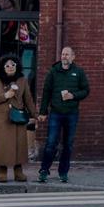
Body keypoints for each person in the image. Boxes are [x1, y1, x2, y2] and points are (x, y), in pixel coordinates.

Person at [37, 46, 89, 183]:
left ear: (73, 57)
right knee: (51, 143)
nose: (64, 56)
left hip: (72, 113)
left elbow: (86, 91)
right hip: (56, 113)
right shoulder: (53, 72)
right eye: (63, 54)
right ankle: (44, 170)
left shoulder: (78, 72)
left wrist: (73, 95)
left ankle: (63, 172)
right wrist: (43, 112)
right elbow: (46, 92)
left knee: (68, 144)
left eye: (67, 54)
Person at [0, 55, 35, 183]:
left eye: (12, 65)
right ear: (3, 68)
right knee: (3, 145)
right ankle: (2, 171)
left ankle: (18, 172)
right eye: (7, 65)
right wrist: (5, 95)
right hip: (2, 119)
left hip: (18, 117)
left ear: (17, 66)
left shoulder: (22, 80)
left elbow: (28, 99)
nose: (10, 67)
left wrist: (35, 115)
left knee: (18, 145)